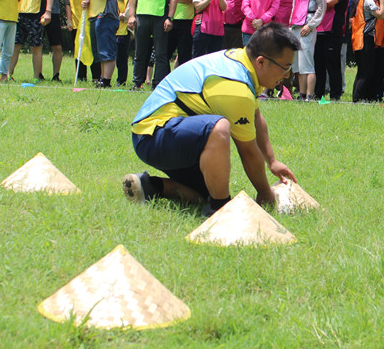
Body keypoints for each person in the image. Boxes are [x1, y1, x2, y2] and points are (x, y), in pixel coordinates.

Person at [123, 22, 300, 215]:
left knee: (203, 193)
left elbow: (256, 116)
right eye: (285, 67)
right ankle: (220, 208)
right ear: (261, 62)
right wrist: (266, 194)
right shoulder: (236, 87)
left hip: (163, 134)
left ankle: (150, 186)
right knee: (219, 128)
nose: (287, 75)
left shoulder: (242, 63)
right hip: (153, 134)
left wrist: (272, 161)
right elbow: (248, 151)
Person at [79, 0, 119, 87]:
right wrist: (87, 2)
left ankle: (106, 81)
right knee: (98, 51)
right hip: (94, 16)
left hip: (106, 15)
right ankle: (102, 79)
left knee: (106, 50)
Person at [289, 0, 326, 101]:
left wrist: (311, 25)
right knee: (299, 64)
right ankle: (301, 93)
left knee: (308, 63)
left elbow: (321, 6)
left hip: (307, 26)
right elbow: (295, 5)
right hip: (296, 25)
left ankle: (310, 95)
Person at [314, 0, 349, 101]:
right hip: (318, 31)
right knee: (319, 65)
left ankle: (335, 96)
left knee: (333, 66)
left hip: (333, 32)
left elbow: (328, 2)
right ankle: (319, 95)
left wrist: (315, 0)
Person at [350, 0, 384, 102]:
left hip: (358, 39)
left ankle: (357, 97)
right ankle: (358, 98)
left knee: (361, 71)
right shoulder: (368, 0)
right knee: (367, 71)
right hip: (366, 39)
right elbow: (381, 15)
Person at [65, 0, 98, 82]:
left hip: (89, 21)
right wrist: (68, 19)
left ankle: (96, 77)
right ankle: (80, 77)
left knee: (92, 50)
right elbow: (68, 2)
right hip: (76, 22)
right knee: (78, 50)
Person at [115, 0, 132, 86]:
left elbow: (126, 15)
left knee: (121, 57)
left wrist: (121, 16)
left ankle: (121, 80)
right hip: (112, 30)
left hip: (124, 31)